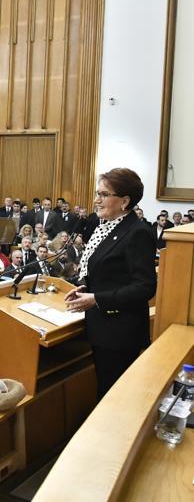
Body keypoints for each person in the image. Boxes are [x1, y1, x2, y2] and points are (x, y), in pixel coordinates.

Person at [65, 168, 156, 400]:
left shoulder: (137, 232)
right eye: (98, 193)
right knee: (106, 392)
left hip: (120, 333)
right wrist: (86, 289)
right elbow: (109, 274)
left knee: (114, 398)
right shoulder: (105, 228)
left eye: (104, 194)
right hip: (102, 328)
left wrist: (96, 299)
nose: (97, 200)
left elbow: (144, 287)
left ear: (125, 201)